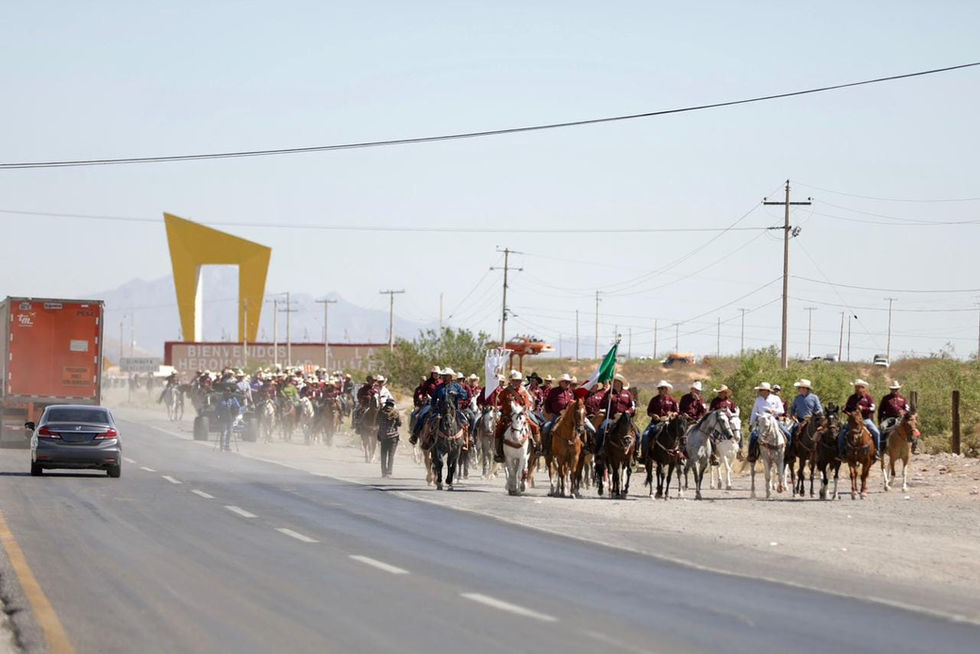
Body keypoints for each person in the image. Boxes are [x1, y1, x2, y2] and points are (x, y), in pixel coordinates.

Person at [493, 370, 538, 462]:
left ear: (521, 381)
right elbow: (498, 401)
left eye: (518, 380)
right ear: (511, 381)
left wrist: (524, 411)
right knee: (499, 429)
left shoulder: (524, 391)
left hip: (521, 416)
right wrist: (497, 400)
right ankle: (498, 452)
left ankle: (536, 447)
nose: (516, 382)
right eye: (514, 380)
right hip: (507, 416)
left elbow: (527, 404)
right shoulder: (505, 391)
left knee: (535, 426)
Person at [838, 379, 882, 461]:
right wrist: (844, 409)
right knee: (842, 433)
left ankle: (877, 452)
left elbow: (873, 408)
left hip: (865, 420)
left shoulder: (868, 398)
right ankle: (841, 453)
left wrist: (863, 408)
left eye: (859, 387)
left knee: (876, 432)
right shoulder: (852, 398)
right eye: (856, 387)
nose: (857, 389)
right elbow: (848, 408)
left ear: (863, 388)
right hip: (852, 421)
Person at [747, 382, 787, 462]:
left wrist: (773, 410)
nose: (760, 391)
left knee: (787, 434)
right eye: (760, 390)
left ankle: (788, 454)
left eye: (761, 390)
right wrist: (751, 423)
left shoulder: (776, 398)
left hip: (774, 421)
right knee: (754, 435)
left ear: (767, 391)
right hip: (762, 421)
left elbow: (781, 410)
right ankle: (752, 454)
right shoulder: (758, 400)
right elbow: (754, 412)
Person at [595, 374, 635, 454]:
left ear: (621, 384)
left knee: (637, 433)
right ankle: (599, 450)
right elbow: (601, 405)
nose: (616, 384)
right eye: (615, 382)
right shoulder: (609, 393)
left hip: (625, 420)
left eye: (618, 382)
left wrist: (628, 412)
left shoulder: (627, 393)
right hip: (611, 419)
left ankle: (635, 453)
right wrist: (607, 400)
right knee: (602, 430)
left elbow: (632, 407)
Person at [641, 380, 678, 459]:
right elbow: (649, 412)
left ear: (666, 389)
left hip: (668, 423)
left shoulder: (672, 400)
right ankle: (644, 456)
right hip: (655, 422)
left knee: (679, 436)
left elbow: (677, 412)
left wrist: (671, 414)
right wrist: (653, 415)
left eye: (662, 388)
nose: (660, 390)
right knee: (645, 435)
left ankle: (679, 456)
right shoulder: (654, 400)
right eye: (659, 388)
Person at [878, 380, 917, 453]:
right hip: (889, 418)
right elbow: (880, 410)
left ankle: (915, 446)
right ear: (891, 389)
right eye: (893, 389)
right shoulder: (886, 398)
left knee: (913, 428)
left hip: (901, 418)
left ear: (899, 389)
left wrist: (904, 412)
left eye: (896, 389)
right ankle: (881, 448)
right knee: (882, 429)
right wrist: (880, 421)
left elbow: (907, 409)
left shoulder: (903, 398)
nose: (895, 391)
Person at [410, 366, 443, 442]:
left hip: (441, 404)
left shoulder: (442, 383)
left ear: (439, 374)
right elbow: (422, 391)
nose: (436, 375)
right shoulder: (428, 382)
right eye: (434, 373)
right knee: (421, 416)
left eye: (437, 373)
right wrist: (421, 396)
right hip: (430, 403)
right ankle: (415, 435)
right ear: (432, 374)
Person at [788, 379, 822, 444]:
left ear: (805, 388)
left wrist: (814, 415)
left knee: (820, 431)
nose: (799, 389)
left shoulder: (814, 397)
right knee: (792, 431)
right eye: (799, 388)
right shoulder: (797, 398)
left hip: (812, 420)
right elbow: (793, 409)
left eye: (800, 388)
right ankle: (792, 447)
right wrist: (792, 415)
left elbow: (820, 409)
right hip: (800, 420)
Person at [376, 398, 401, 478]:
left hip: (383, 436)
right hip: (393, 437)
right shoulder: (395, 412)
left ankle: (383, 472)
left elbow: (377, 422)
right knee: (391, 455)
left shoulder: (381, 412)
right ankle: (389, 472)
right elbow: (399, 423)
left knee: (383, 455)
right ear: (392, 404)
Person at [215, 387, 242, 451]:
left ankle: (227, 446)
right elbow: (217, 408)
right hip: (223, 418)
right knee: (223, 432)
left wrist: (237, 414)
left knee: (229, 432)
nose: (228, 392)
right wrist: (217, 415)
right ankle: (222, 446)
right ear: (224, 392)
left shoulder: (233, 399)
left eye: (229, 391)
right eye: (226, 391)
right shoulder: (221, 399)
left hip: (230, 418)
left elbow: (238, 407)